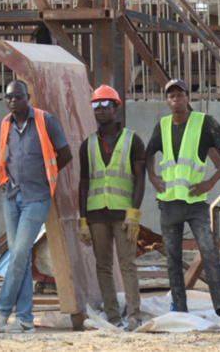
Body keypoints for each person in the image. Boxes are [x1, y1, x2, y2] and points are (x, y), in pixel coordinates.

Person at [145, 79, 220, 330]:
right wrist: (152, 176)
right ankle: (180, 310)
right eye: (171, 96)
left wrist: (211, 181)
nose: (176, 99)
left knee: (209, 255)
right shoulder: (163, 125)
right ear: (166, 101)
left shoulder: (204, 122)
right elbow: (148, 154)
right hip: (169, 204)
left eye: (180, 94)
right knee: (173, 260)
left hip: (196, 202)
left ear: (188, 97)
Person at [0, 80, 73, 333]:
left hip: (38, 198)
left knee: (18, 254)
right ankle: (24, 319)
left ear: (28, 97)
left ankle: (2, 314)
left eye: (18, 96)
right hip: (12, 197)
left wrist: (47, 179)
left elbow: (65, 154)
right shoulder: (4, 125)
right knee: (20, 259)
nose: (13, 100)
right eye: (9, 97)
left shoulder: (46, 121)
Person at [78, 85, 146, 331]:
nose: (100, 110)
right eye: (96, 106)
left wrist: (134, 214)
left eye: (106, 105)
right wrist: (82, 220)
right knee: (103, 266)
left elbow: (140, 179)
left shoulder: (132, 140)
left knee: (127, 264)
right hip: (96, 215)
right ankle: (113, 314)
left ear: (117, 107)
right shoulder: (87, 144)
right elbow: (83, 184)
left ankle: (135, 316)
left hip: (123, 214)